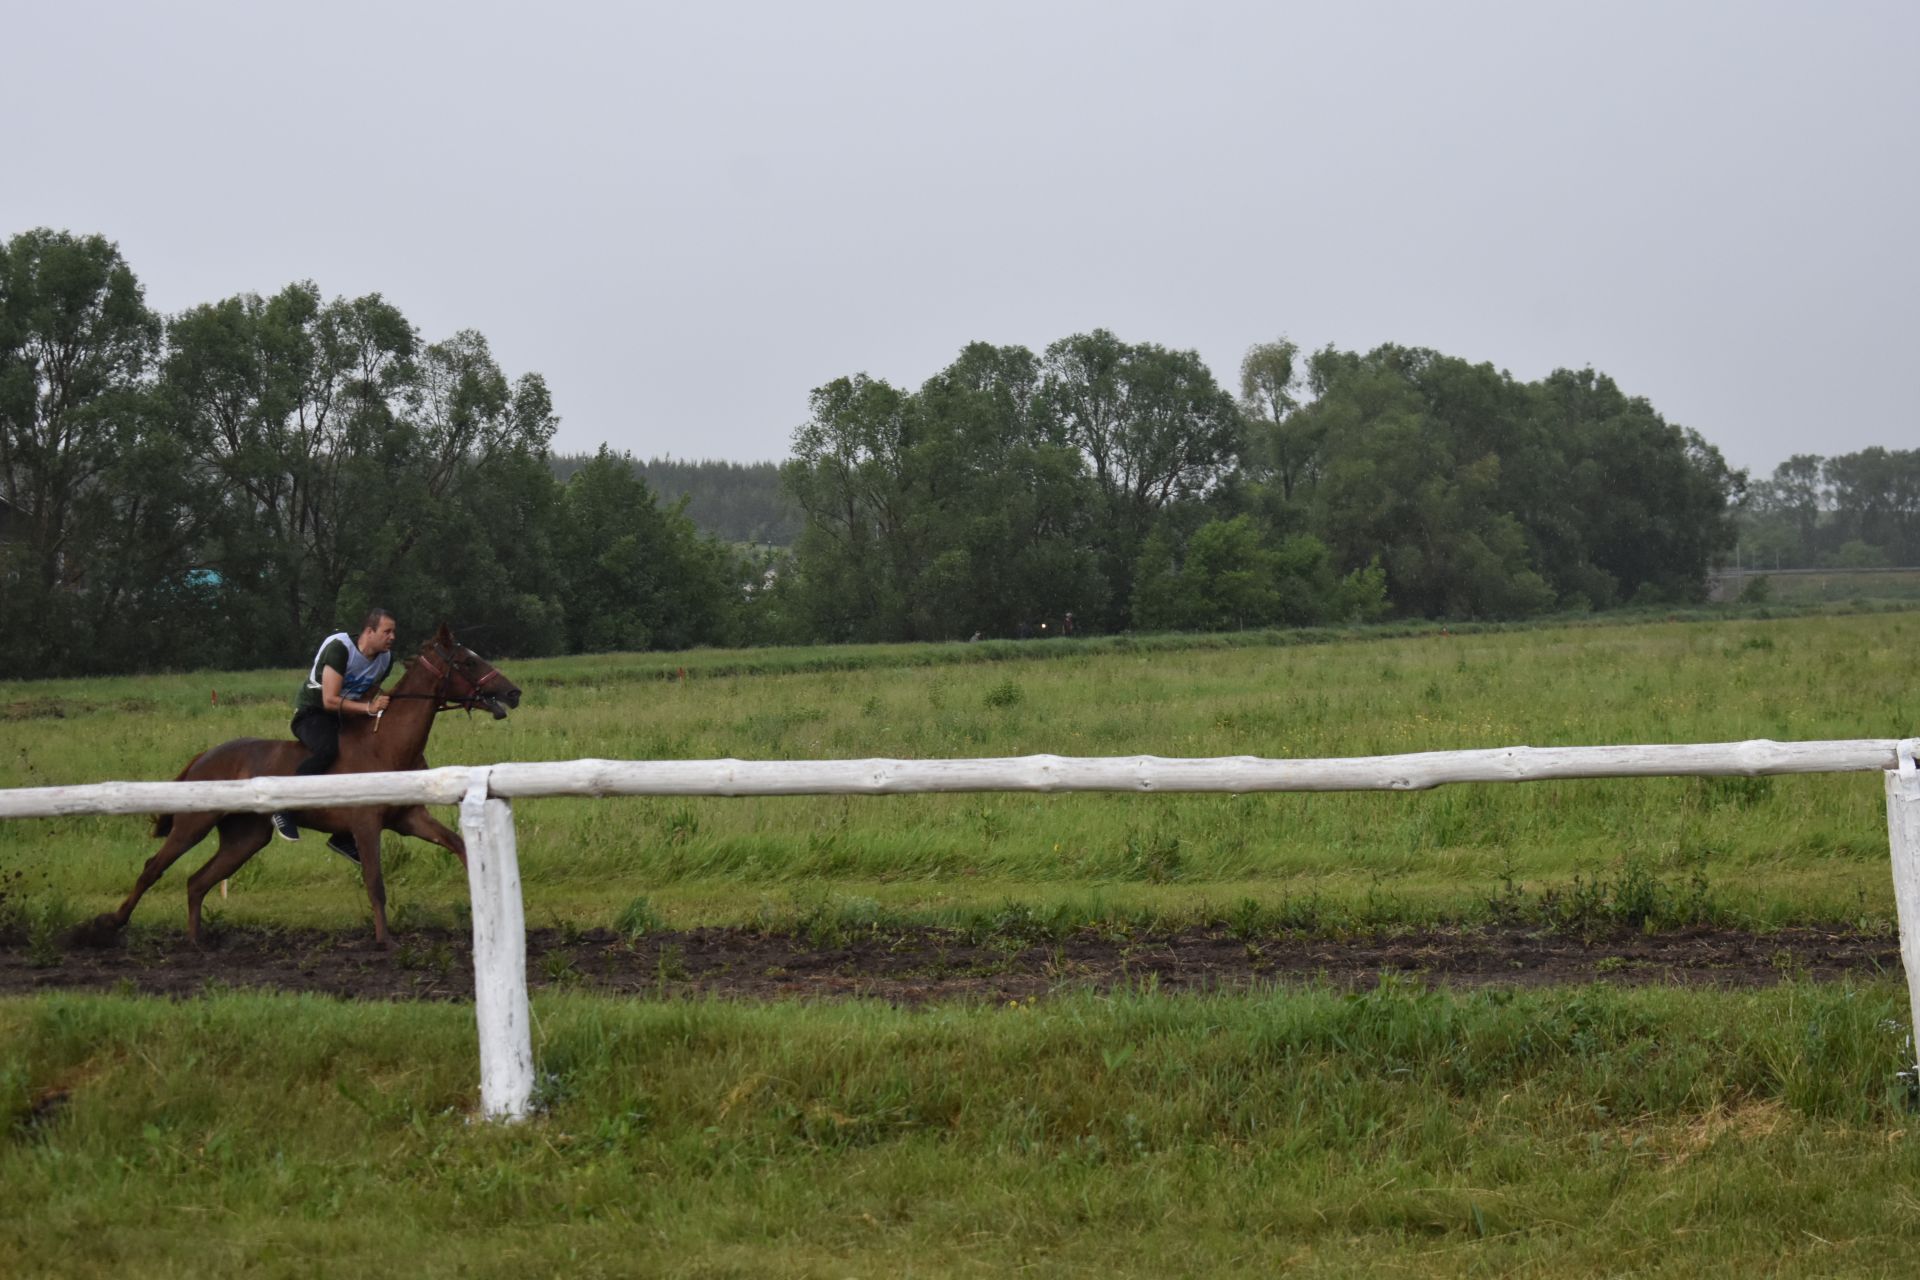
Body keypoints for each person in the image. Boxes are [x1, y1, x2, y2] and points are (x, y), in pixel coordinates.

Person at [270, 609, 397, 862]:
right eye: (387, 632)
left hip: (345, 716)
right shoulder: (340, 649)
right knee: (328, 750)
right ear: (369, 632)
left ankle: (343, 836)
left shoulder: (386, 659)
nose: (392, 637)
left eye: (394, 632)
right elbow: (329, 700)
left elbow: (367, 693)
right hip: (313, 713)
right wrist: (369, 708)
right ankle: (283, 806)